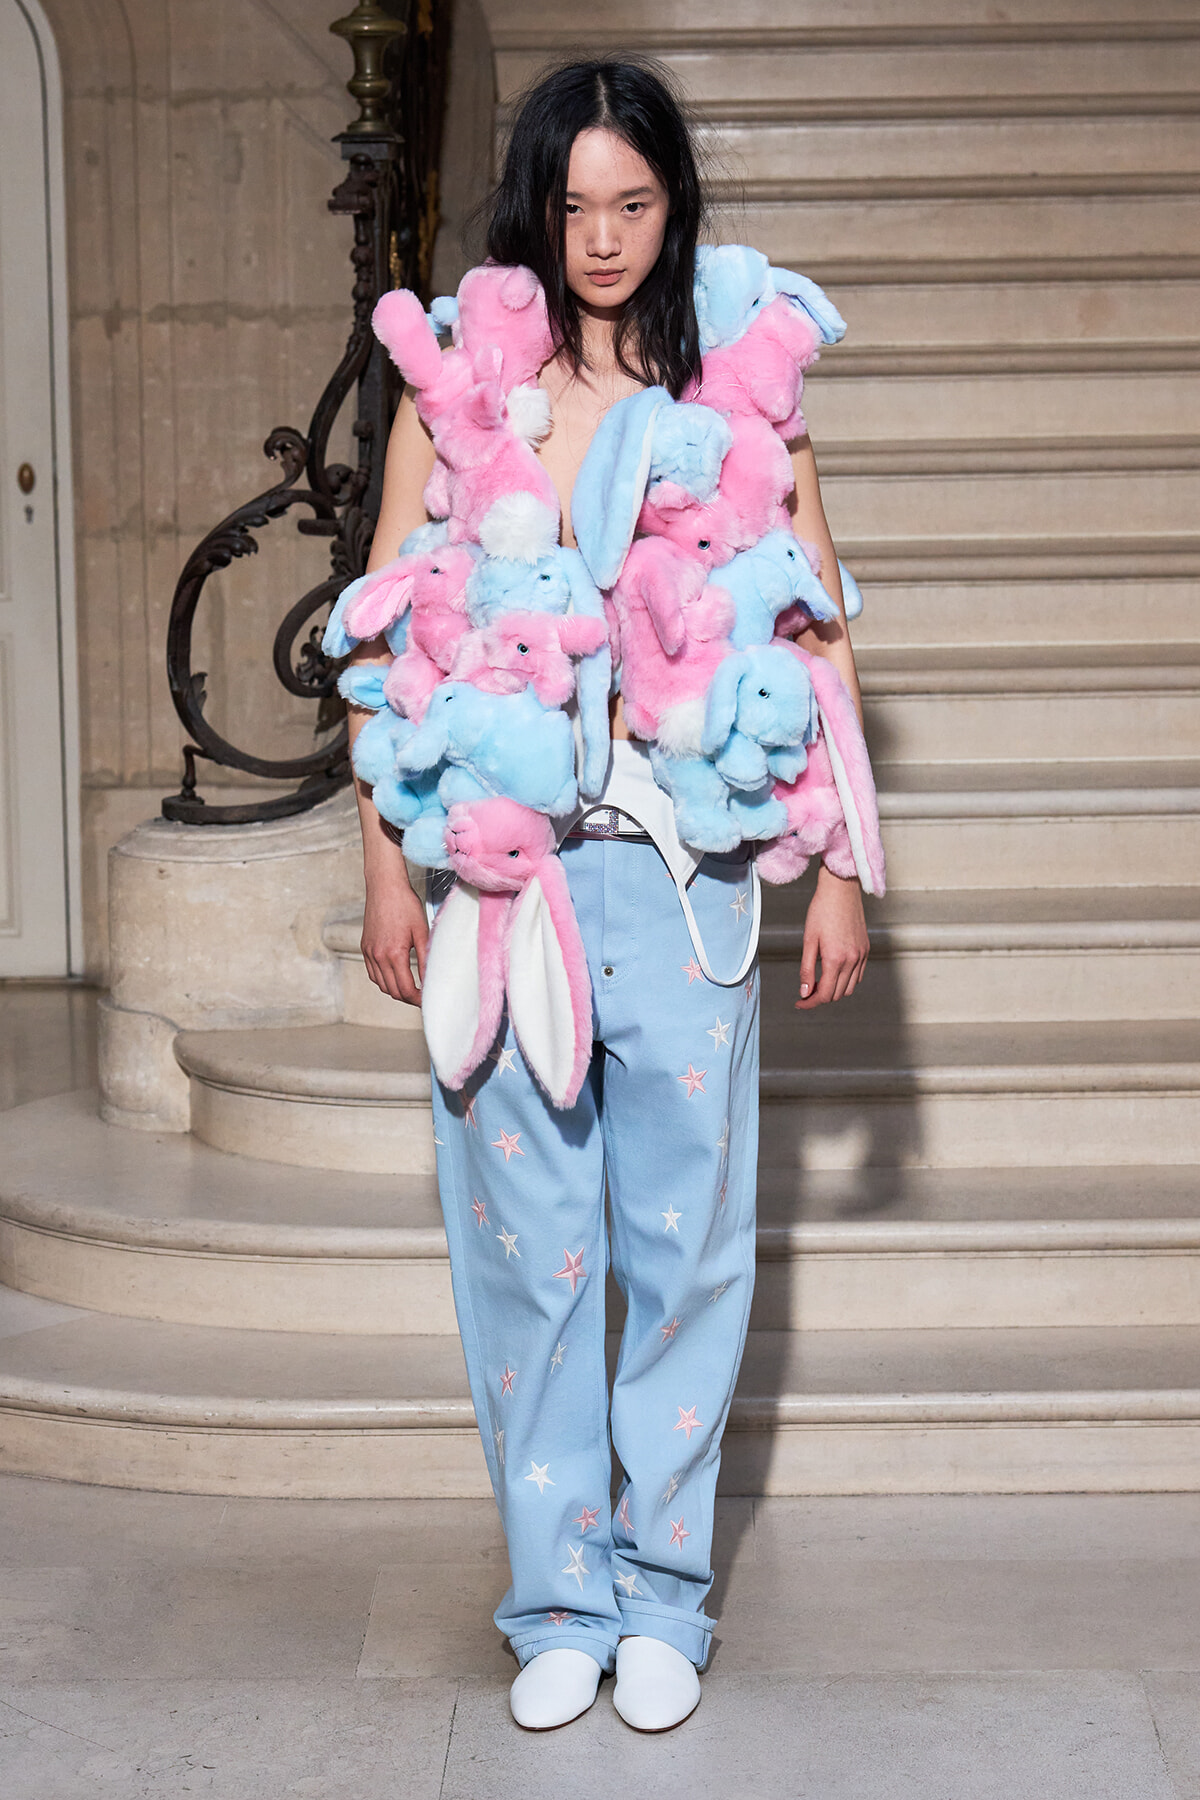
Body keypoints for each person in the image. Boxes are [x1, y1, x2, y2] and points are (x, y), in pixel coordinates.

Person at [343, 59, 870, 1732]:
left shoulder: (743, 391)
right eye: (572, 205)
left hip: (691, 881)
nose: (603, 236)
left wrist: (845, 870)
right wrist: (381, 863)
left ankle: (663, 1594)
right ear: (533, 210)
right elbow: (385, 632)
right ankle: (557, 1597)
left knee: (688, 1252)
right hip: (506, 888)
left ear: (673, 203)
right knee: (528, 1253)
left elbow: (818, 630)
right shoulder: (464, 391)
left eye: (633, 202)